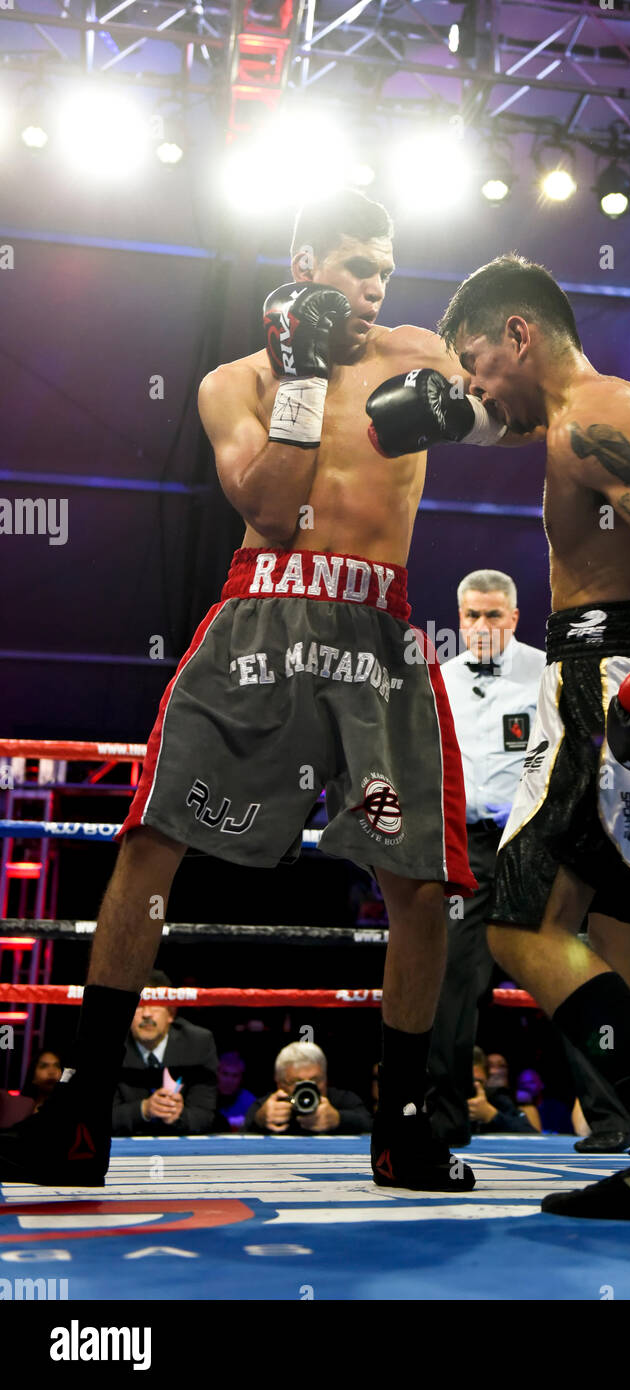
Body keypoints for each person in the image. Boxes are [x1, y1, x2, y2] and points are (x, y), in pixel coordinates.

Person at [0, 188, 527, 1193]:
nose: (375, 284)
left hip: (376, 625)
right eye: (357, 265)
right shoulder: (229, 381)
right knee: (153, 837)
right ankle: (80, 1112)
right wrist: (295, 377)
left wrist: (465, 410)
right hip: (264, 610)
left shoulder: (415, 351)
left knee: (419, 880)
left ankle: (405, 1117)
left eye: (385, 266)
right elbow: (273, 507)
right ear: (302, 265)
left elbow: (515, 420)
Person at [368, 253, 630, 1220]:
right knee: (624, 936)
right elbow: (514, 424)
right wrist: (453, 411)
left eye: (476, 362)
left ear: (521, 335)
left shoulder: (595, 415)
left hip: (616, 679)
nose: (472, 387)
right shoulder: (585, 413)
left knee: (518, 921)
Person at [425, 567, 630, 1150]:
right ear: (459, 618)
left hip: (532, 844)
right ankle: (445, 1119)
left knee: (564, 972)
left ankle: (612, 1115)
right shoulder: (439, 680)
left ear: (513, 617)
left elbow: (583, 757)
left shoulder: (547, 673)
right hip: (466, 850)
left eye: (494, 615)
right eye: (472, 615)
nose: (482, 626)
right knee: (451, 983)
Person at [112, 971, 218, 1136]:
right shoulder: (111, 1046)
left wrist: (179, 1115)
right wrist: (144, 1109)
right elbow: (97, 1116)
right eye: (139, 1005)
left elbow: (205, 1115)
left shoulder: (198, 1042)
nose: (146, 1014)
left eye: (154, 1004)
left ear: (171, 1013)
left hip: (180, 1148)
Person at [244, 1042, 372, 1135]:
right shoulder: (270, 1105)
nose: (307, 1088)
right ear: (279, 1083)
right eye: (297, 1082)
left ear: (326, 1078)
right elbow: (239, 1136)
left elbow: (372, 1126)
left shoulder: (342, 1100)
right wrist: (260, 1120)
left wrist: (338, 1119)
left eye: (315, 1080)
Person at [214, 1051, 258, 1132]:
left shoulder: (249, 1101)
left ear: (241, 1079)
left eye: (234, 1076)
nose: (229, 1081)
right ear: (217, 1074)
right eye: (225, 1074)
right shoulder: (205, 1097)